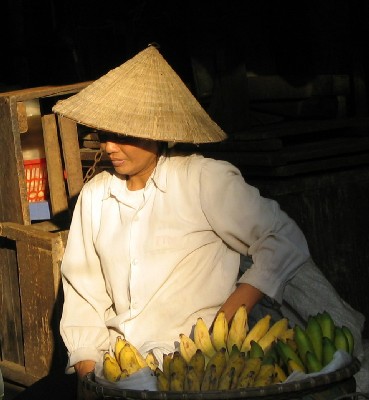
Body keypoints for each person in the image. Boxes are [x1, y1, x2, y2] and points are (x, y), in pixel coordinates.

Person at [52, 44, 367, 394]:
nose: (110, 147)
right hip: (125, 367)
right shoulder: (96, 196)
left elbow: (282, 237)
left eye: (124, 136)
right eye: (104, 134)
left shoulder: (202, 179)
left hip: (202, 366)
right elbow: (84, 293)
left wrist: (226, 320)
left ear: (157, 132)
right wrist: (88, 371)